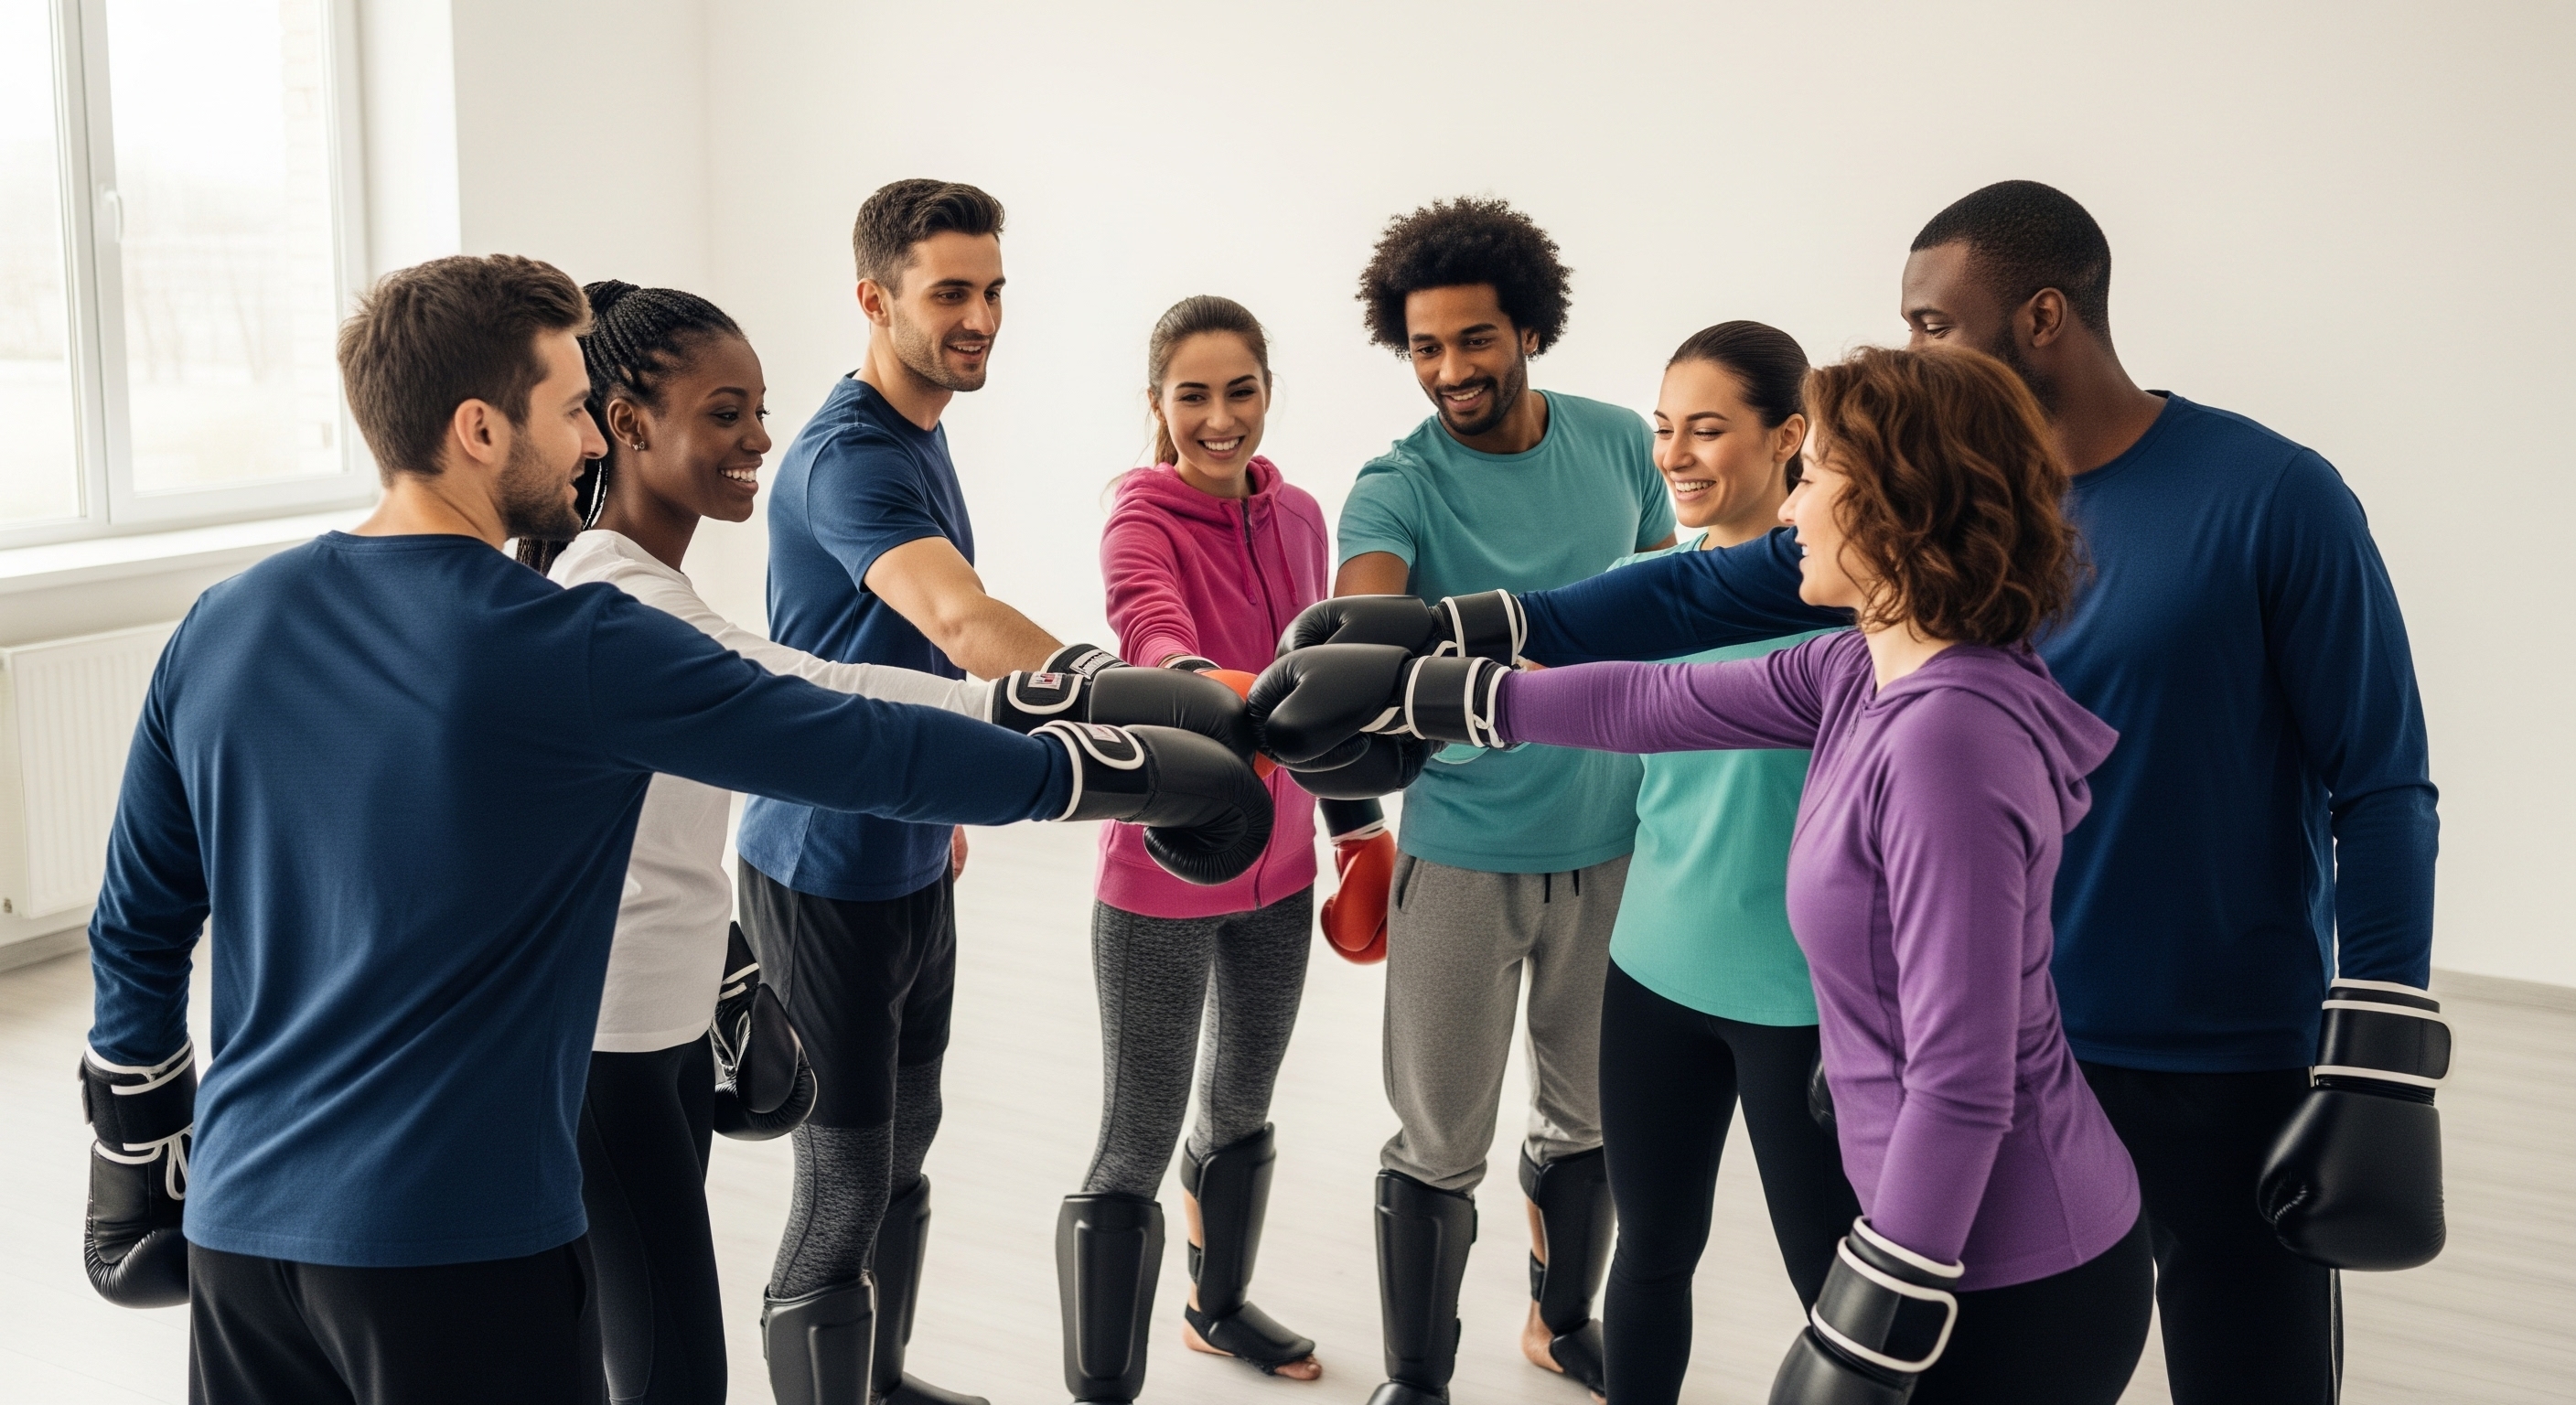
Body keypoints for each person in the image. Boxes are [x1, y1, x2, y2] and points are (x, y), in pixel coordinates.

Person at [1270, 181, 2442, 1403]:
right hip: (2035, 1043)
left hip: (2211, 1046)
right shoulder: (1899, 583)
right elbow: (1672, 632)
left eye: (1934, 325)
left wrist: (2381, 1058)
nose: (1909, 350)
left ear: (2043, 317)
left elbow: (2384, 783)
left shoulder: (2266, 500)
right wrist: (1456, 644)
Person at [74, 253, 1268, 1405]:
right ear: (482, 431)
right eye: (569, 407)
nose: (593, 439)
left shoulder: (221, 625)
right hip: (457, 1248)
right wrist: (1142, 772)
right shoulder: (569, 643)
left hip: (240, 1239)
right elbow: (853, 741)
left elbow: (136, 925)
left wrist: (136, 1145)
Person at [1258, 345, 2154, 1403]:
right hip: (1950, 1249)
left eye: (1815, 476)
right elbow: (1650, 702)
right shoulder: (1859, 668)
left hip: (2011, 1272)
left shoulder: (1945, 740)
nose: (1796, 510)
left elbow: (1964, 1076)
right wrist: (1439, 688)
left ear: (1892, 509)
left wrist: (1874, 1315)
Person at [514, 281, 988, 1405]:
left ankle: (876, 1376)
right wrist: (1058, 718)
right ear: (626, 425)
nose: (760, 440)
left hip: (661, 1019)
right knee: (675, 1362)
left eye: (758, 409)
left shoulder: (635, 580)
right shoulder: (615, 600)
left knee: (649, 1346)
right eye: (725, 414)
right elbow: (815, 693)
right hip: (611, 1041)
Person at [731, 178, 1141, 1405]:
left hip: (907, 850)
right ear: (875, 298)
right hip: (819, 870)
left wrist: (944, 803)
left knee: (907, 1150)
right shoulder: (847, 457)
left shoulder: (918, 431)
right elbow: (959, 623)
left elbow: (893, 647)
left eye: (994, 289)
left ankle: (884, 1378)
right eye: (950, 292)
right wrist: (1139, 701)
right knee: (847, 1174)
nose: (981, 317)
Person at [1331, 197, 1675, 1405]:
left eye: (1473, 340)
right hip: (1464, 856)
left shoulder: (1623, 445)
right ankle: (1417, 1381)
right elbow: (1362, 634)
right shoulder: (1396, 485)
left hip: (1613, 846)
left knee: (1587, 1123)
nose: (1449, 371)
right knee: (1438, 1140)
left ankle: (1558, 1324)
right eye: (1425, 347)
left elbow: (1661, 607)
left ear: (1528, 329)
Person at [1055, 295, 1332, 1401]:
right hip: (1166, 869)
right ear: (1158, 405)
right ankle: (1100, 1383)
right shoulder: (1140, 518)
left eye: (1240, 391)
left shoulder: (1301, 513)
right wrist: (1193, 681)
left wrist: (1352, 827)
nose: (1220, 420)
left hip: (1284, 867)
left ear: (1267, 390)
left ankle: (1214, 1312)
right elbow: (1147, 623)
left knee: (1243, 1105)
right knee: (1136, 1134)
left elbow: (1319, 675)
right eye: (1193, 396)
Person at [1593, 321, 1857, 1405]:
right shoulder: (1638, 587)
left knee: (1836, 1292)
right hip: (1650, 972)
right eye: (1663, 430)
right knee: (1650, 1250)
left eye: (1707, 429)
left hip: (1801, 1005)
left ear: (1789, 435)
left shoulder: (1851, 613)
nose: (1675, 456)